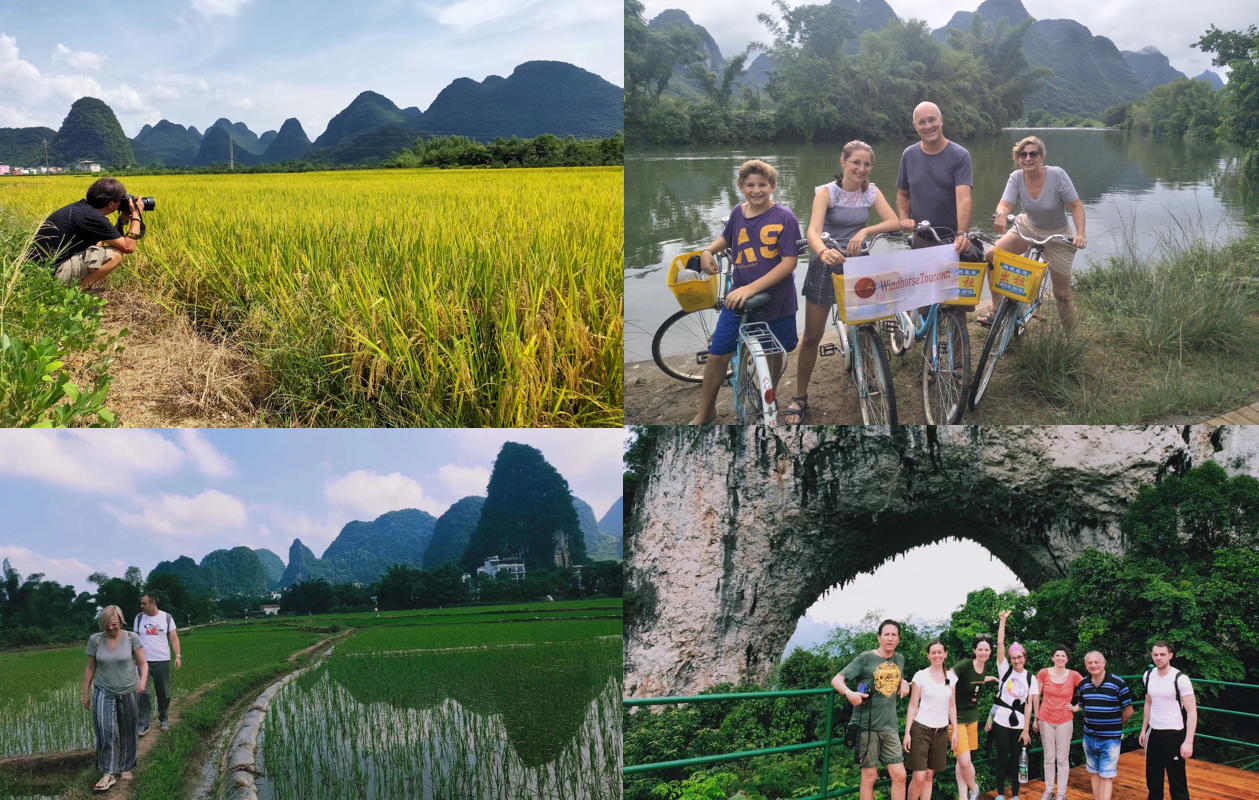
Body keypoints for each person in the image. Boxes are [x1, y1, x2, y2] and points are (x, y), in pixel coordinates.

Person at [784, 140, 903, 424]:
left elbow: (894, 221)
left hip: (859, 264)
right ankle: (800, 395)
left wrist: (865, 231)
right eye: (856, 162)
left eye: (867, 164)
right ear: (843, 162)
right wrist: (822, 251)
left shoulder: (871, 191)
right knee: (812, 336)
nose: (861, 168)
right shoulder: (826, 193)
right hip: (826, 263)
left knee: (864, 326)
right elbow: (813, 232)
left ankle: (869, 375)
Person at [690, 159, 801, 425]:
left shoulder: (785, 217)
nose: (756, 190)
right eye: (750, 185)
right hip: (738, 297)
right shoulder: (738, 212)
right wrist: (708, 250)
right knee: (718, 354)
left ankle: (767, 397)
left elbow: (789, 262)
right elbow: (727, 237)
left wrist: (751, 288)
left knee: (774, 351)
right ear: (740, 187)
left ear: (773, 186)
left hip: (777, 297)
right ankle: (706, 411)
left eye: (763, 185)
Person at [979, 136, 1087, 332]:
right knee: (991, 255)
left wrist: (1080, 234)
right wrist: (1001, 214)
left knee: (1062, 294)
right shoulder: (1016, 177)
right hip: (1028, 226)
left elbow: (1076, 206)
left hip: (1057, 234)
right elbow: (1005, 204)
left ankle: (1069, 338)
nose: (1027, 158)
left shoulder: (1057, 175)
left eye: (1033, 154)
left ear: (1042, 156)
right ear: (1017, 157)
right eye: (1023, 154)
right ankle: (996, 309)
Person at [832, 619, 912, 800]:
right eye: (886, 634)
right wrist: (849, 693)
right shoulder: (865, 658)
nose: (890, 638)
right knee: (870, 777)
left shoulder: (899, 659)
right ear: (879, 637)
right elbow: (837, 680)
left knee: (900, 775)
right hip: (866, 726)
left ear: (898, 639)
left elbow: (896, 676)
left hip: (889, 726)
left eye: (894, 635)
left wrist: (904, 681)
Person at [29, 177, 146, 290]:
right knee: (115, 255)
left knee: (99, 241)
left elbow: (109, 237)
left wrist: (122, 221)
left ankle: (74, 289)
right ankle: (75, 295)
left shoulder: (83, 209)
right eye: (121, 200)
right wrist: (136, 216)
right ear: (111, 204)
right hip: (49, 275)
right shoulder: (91, 216)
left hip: (38, 271)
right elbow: (128, 247)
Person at [83, 605, 148, 793]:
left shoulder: (131, 638)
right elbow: (90, 667)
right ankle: (108, 772)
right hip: (103, 689)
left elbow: (143, 663)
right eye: (106, 625)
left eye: (114, 624)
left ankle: (126, 767)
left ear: (121, 621)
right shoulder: (95, 640)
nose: (111, 628)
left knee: (128, 729)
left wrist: (143, 681)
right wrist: (85, 693)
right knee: (105, 729)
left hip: (129, 689)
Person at [896, 102, 974, 256]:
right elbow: (903, 195)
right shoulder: (908, 155)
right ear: (915, 126)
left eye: (932, 120)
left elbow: (963, 199)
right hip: (920, 239)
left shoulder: (960, 155)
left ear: (941, 120)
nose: (928, 126)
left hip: (952, 241)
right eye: (922, 122)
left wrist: (962, 233)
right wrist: (904, 218)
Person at [985, 610, 1038, 800]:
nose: (1017, 660)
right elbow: (1000, 644)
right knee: (1001, 759)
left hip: (1019, 724)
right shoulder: (1005, 671)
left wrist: (1026, 730)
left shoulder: (1031, 678)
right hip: (1001, 720)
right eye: (1013, 657)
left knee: (1016, 760)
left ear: (1024, 657)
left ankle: (1015, 794)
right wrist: (1002, 621)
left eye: (1019, 657)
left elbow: (1029, 706)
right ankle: (1000, 794)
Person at [1140, 641, 1197, 800]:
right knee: (1153, 778)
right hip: (1153, 732)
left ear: (1170, 656)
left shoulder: (1180, 679)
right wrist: (1144, 730)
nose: (1158, 658)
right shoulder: (1148, 676)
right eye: (1155, 654)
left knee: (1177, 779)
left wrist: (1188, 741)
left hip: (1174, 733)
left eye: (1162, 654)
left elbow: (1192, 711)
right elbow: (1148, 703)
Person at [903, 640, 959, 800]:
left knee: (929, 775)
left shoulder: (951, 678)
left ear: (945, 654)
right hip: (921, 730)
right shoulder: (920, 676)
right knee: (919, 777)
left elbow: (952, 706)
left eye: (940, 652)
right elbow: (913, 705)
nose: (937, 655)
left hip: (941, 731)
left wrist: (954, 731)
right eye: (933, 652)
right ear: (928, 655)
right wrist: (907, 733)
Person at [1078, 650, 1133, 800]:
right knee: (1094, 772)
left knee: (1107, 775)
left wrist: (1116, 725)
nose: (1093, 665)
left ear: (1104, 663)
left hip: (1110, 739)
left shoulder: (1118, 683)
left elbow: (1129, 710)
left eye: (1096, 662)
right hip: (1089, 736)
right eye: (1089, 662)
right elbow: (1082, 705)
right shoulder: (1082, 684)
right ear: (1086, 665)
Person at [952, 633, 999, 800]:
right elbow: (947, 678)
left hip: (972, 717)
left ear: (990, 651)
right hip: (956, 718)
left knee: (961, 760)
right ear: (974, 650)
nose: (983, 653)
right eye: (980, 649)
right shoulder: (964, 666)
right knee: (965, 761)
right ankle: (974, 788)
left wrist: (991, 678)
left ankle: (963, 797)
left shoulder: (983, 666)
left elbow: (978, 679)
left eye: (986, 650)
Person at [1034, 645, 1084, 800]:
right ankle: (1049, 791)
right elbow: (1036, 696)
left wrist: (1077, 707)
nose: (1060, 658)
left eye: (1063, 656)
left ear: (1067, 659)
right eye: (1057, 655)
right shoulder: (1043, 673)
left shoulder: (1074, 675)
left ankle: (1061, 793)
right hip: (1045, 718)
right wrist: (1036, 718)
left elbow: (1088, 690)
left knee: (1062, 758)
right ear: (1052, 657)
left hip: (1065, 719)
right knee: (1049, 757)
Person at [134, 593, 181, 736]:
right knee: (143, 692)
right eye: (141, 603)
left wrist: (178, 656)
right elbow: (134, 639)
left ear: (153, 603)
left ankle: (164, 718)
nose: (141, 606)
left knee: (163, 691)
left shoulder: (166, 617)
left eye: (144, 603)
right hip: (143, 662)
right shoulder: (139, 618)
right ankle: (144, 723)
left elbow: (174, 639)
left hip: (162, 660)